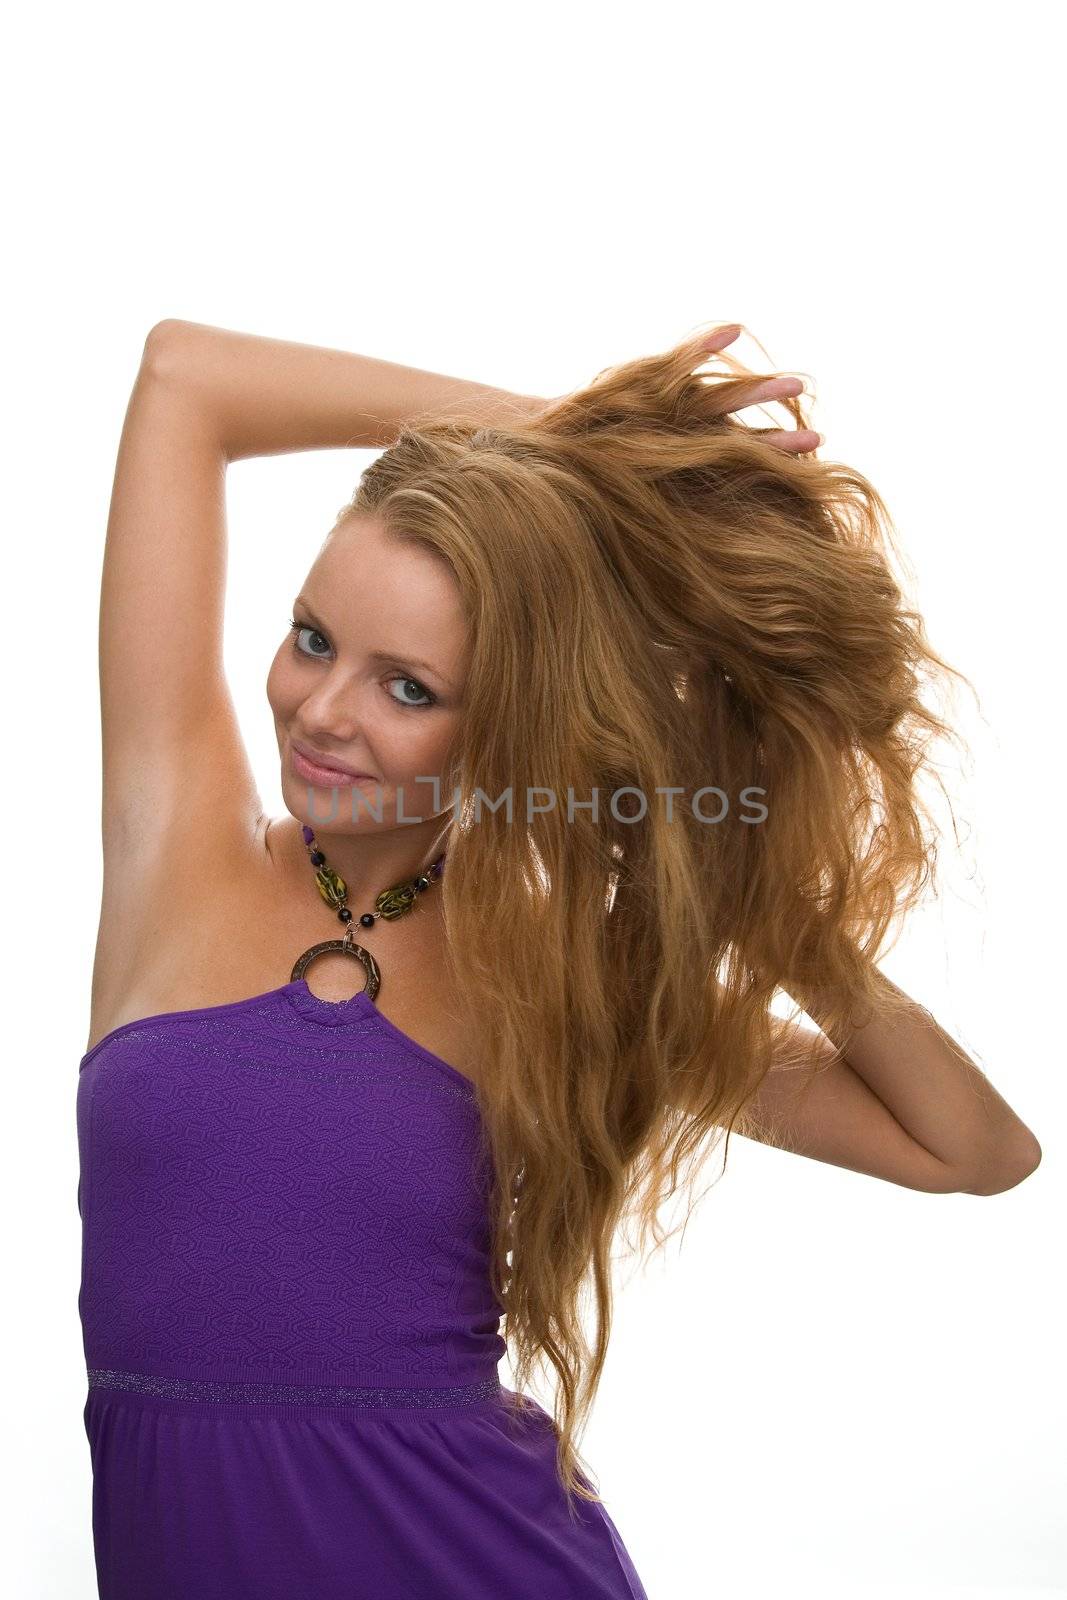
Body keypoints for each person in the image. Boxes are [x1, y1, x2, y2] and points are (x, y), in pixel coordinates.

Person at [76, 317, 1041, 1599]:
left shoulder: (550, 975)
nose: (321, 710)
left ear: (508, 727)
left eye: (407, 689)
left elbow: (972, 1150)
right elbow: (184, 376)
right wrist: (579, 445)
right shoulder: (172, 840)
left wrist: (767, 920)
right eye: (313, 637)